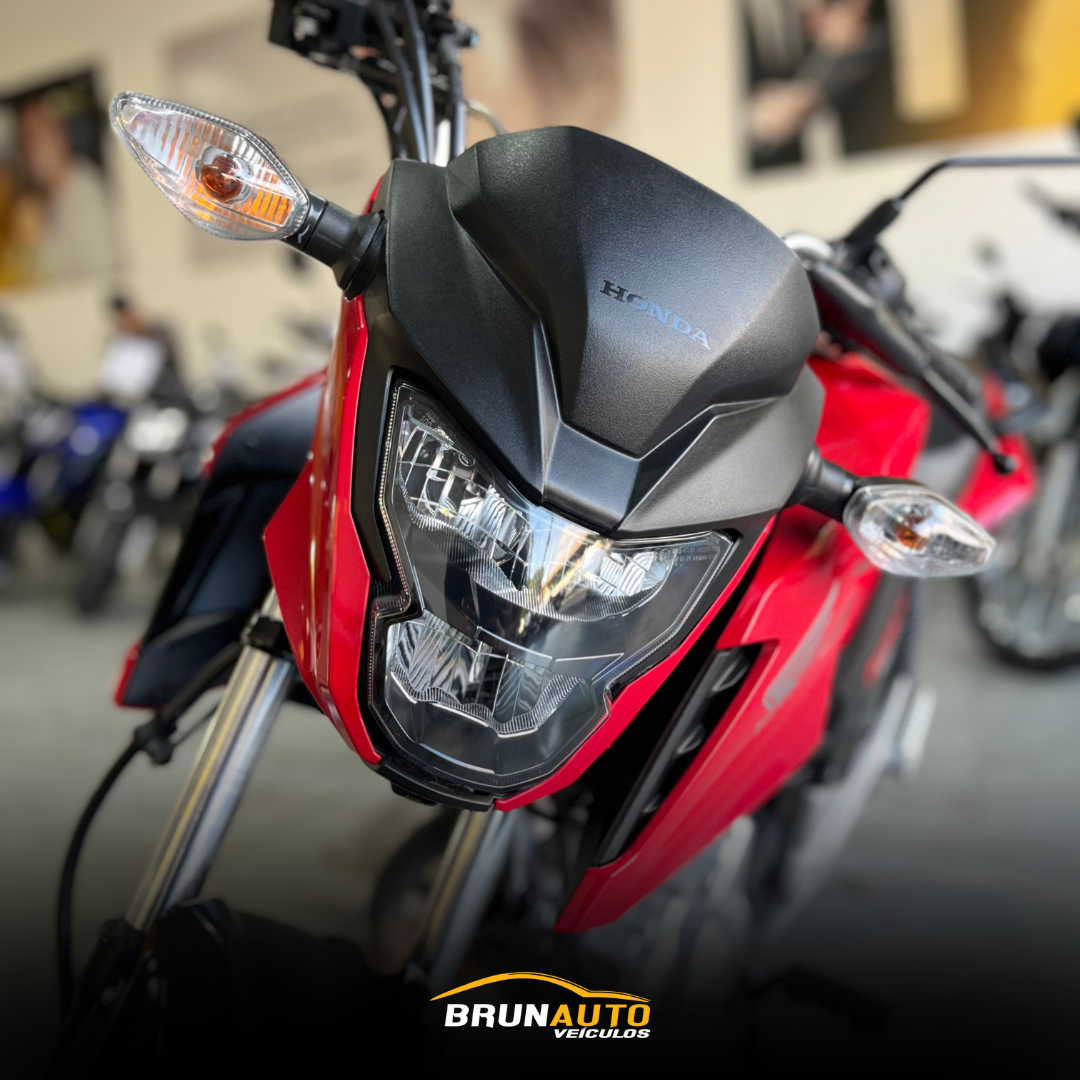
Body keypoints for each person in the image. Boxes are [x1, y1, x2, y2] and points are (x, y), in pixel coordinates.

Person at [15, 94, 114, 282]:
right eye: (23, 140)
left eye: (36, 136)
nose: (30, 149)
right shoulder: (41, 200)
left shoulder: (88, 194)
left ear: (60, 135)